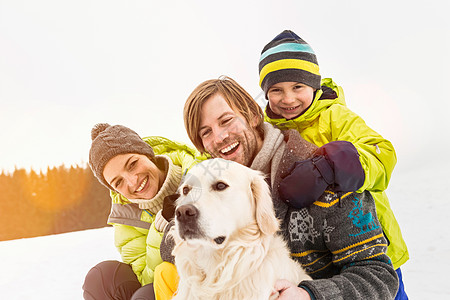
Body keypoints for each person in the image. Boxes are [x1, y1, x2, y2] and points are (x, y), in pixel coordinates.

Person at [156, 76, 398, 299]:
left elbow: (378, 276)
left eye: (226, 121)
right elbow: (175, 243)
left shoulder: (326, 175)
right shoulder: (202, 178)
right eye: (206, 133)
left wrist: (310, 295)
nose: (219, 137)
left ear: (252, 115)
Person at [258, 30, 408, 299]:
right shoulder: (268, 130)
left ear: (313, 86)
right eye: (276, 90)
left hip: (369, 242)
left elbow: (382, 153)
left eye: (297, 87)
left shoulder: (334, 116)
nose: (288, 99)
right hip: (314, 262)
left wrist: (327, 167)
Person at [82, 123, 203, 300]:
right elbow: (147, 281)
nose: (132, 182)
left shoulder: (201, 172)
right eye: (118, 182)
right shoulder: (127, 221)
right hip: (169, 286)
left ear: (148, 154)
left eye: (132, 165)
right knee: (102, 278)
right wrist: (159, 231)